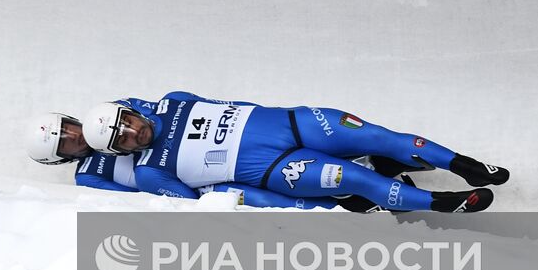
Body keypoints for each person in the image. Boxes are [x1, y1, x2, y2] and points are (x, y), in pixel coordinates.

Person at [81, 92, 507, 212]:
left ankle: (464, 165)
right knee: (354, 178)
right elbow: (202, 204)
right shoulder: (152, 174)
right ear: (120, 151)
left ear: (130, 111)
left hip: (293, 122)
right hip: (278, 168)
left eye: (128, 122)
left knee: (378, 135)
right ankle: (441, 203)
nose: (133, 134)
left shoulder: (174, 99)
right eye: (123, 139)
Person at [24, 112, 394, 211]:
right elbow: (130, 199)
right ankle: (342, 205)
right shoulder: (87, 176)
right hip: (192, 186)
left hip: (200, 155)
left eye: (69, 129)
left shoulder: (107, 120)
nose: (76, 137)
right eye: (67, 144)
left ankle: (360, 162)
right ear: (63, 160)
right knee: (264, 199)